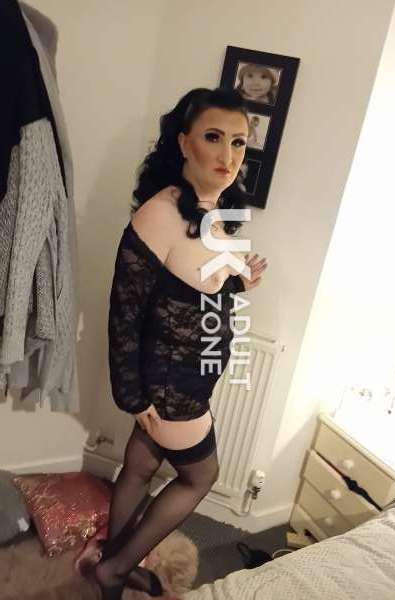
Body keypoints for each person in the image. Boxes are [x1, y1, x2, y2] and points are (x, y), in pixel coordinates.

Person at [93, 87, 268, 599]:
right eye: (213, 137)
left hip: (186, 374)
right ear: (184, 142)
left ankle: (110, 562)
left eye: (238, 142)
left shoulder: (215, 208)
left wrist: (240, 281)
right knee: (200, 476)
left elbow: (194, 288)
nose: (227, 154)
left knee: (141, 466)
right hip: (172, 384)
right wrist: (134, 397)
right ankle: (115, 569)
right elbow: (124, 314)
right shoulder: (160, 214)